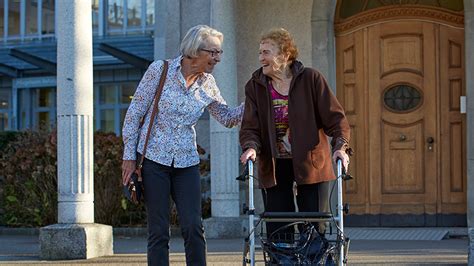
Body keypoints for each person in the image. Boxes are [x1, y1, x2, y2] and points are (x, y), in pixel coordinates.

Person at [122, 25, 243, 266]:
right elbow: (134, 114)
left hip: (187, 162)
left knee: (193, 226)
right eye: (213, 52)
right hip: (154, 160)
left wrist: (254, 99)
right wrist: (129, 157)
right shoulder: (160, 70)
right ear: (195, 50)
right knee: (158, 230)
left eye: (220, 53)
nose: (218, 58)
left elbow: (228, 118)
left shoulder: (208, 83)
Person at [239, 28, 351, 238]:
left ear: (284, 55)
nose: (260, 57)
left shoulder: (311, 79)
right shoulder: (255, 86)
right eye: (259, 52)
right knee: (278, 226)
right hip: (273, 163)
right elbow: (250, 127)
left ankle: (313, 259)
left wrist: (340, 147)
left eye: (266, 52)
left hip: (311, 161)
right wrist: (251, 148)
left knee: (314, 225)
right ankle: (282, 260)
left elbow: (336, 120)